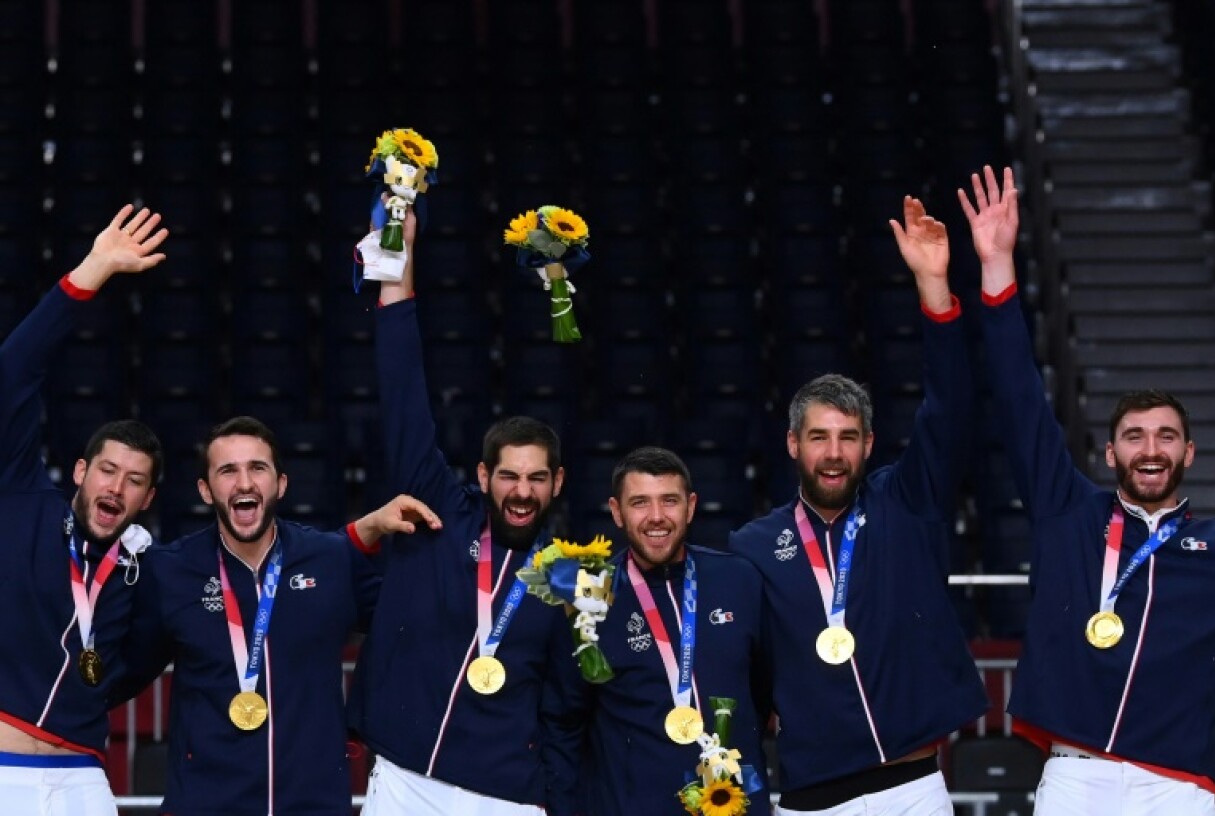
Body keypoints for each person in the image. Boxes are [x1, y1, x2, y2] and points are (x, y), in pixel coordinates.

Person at [962, 164, 1215, 815]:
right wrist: (996, 265)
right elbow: (1020, 399)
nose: (1151, 449)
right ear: (1111, 452)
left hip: (1180, 787)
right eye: (1135, 435)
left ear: (1189, 453)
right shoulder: (1068, 512)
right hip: (1077, 779)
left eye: (1166, 436)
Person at [729, 196, 987, 814]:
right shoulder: (754, 545)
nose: (835, 453)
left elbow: (950, 407)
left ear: (869, 444)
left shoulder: (906, 501)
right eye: (819, 437)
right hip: (810, 797)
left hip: (913, 790)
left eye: (848, 437)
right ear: (794, 445)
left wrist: (933, 286)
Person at [346, 208, 573, 814]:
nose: (520, 492)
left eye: (535, 479)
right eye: (507, 477)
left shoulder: (572, 578)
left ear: (556, 484)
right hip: (403, 780)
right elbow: (403, 392)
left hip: (508, 797)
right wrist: (399, 264)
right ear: (482, 477)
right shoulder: (437, 514)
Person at [112, 415, 441, 815]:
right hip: (204, 804)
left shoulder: (329, 560)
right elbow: (123, 674)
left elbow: (411, 621)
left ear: (281, 484)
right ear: (205, 489)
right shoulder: (171, 572)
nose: (244, 483)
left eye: (257, 468)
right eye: (227, 471)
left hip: (313, 804)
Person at [0, 205, 168, 815]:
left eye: (134, 482)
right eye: (106, 470)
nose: (115, 488)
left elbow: (133, 665)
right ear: (79, 471)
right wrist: (90, 272)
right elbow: (14, 374)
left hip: (83, 781)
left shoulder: (144, 571)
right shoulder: (21, 502)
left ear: (148, 501)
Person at [542, 446, 770, 816]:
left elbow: (764, 689)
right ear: (616, 512)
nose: (657, 517)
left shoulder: (739, 580)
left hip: (735, 805)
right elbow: (564, 724)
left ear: (691, 506)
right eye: (640, 503)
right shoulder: (589, 603)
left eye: (669, 501)